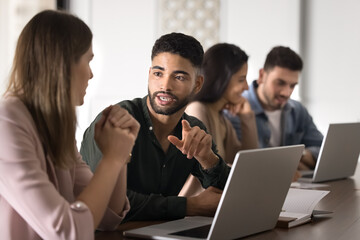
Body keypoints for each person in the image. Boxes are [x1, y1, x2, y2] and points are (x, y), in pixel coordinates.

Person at [0, 10, 139, 240]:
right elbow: (69, 231)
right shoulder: (7, 122)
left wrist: (118, 152)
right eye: (88, 60)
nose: (91, 74)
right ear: (62, 64)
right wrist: (113, 158)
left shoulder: (54, 125)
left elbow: (107, 216)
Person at [80, 32, 230, 222]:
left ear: (197, 84)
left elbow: (226, 195)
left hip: (158, 233)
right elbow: (106, 202)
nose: (165, 86)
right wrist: (189, 206)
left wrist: (208, 159)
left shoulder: (193, 128)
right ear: (149, 75)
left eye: (179, 77)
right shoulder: (117, 122)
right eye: (158, 74)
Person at [224, 46, 323, 170]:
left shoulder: (298, 110)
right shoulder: (235, 110)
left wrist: (298, 155)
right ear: (262, 75)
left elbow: (323, 151)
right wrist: (289, 164)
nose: (286, 93)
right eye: (280, 83)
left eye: (292, 86)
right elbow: (246, 162)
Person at [179, 43, 259, 196]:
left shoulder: (221, 118)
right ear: (221, 79)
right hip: (197, 207)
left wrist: (246, 117)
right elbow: (211, 172)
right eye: (241, 79)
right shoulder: (197, 109)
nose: (247, 87)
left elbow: (248, 163)